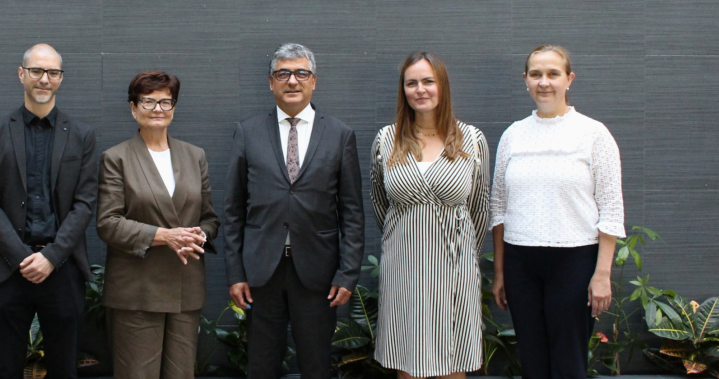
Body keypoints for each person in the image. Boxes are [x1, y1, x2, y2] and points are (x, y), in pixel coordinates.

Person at [222, 43, 365, 379]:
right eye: (283, 73)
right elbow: (232, 210)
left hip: (318, 274)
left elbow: (352, 213)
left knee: (316, 366)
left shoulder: (340, 135)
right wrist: (235, 273)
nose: (292, 81)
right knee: (261, 365)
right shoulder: (248, 132)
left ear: (314, 81)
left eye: (301, 73)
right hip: (261, 272)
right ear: (271, 82)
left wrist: (347, 274)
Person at [489, 45, 624, 379]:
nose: (544, 82)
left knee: (568, 362)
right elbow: (499, 208)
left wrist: (602, 274)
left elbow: (611, 209)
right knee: (532, 361)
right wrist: (501, 272)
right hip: (521, 264)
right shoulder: (513, 135)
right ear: (525, 79)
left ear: (569, 79)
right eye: (536, 74)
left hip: (574, 262)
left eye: (553, 74)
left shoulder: (594, 134)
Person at [0, 43, 98, 379]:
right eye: (37, 71)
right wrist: (22, 257)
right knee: (5, 368)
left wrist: (51, 256)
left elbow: (85, 203)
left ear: (61, 78)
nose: (45, 79)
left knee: (64, 369)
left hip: (63, 268)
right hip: (8, 269)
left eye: (53, 72)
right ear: (21, 74)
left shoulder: (82, 135)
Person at [369, 52, 489, 378]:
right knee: (408, 357)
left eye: (428, 81)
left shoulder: (471, 139)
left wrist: (464, 253)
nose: (420, 89)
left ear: (442, 85)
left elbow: (479, 207)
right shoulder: (386, 139)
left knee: (453, 359)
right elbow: (380, 204)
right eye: (411, 83)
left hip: (455, 267)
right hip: (404, 267)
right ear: (403, 90)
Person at [96, 71, 219, 379]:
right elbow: (108, 223)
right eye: (148, 101)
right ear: (133, 107)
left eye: (166, 101)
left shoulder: (195, 156)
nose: (158, 109)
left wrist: (198, 235)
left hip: (185, 286)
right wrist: (165, 236)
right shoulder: (116, 158)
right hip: (137, 289)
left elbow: (210, 218)